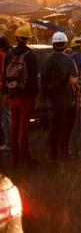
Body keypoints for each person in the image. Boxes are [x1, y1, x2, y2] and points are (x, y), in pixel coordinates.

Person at [2, 25, 38, 167]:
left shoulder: (9, 54)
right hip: (26, 98)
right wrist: (35, 97)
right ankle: (25, 158)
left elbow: (4, 75)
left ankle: (15, 159)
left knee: (13, 127)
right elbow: (33, 79)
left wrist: (5, 93)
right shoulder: (30, 55)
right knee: (24, 128)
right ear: (28, 39)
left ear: (16, 38)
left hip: (12, 96)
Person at [41, 32, 78, 162]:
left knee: (54, 128)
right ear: (65, 44)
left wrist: (48, 96)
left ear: (53, 45)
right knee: (66, 128)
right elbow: (74, 81)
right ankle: (64, 153)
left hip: (52, 101)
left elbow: (43, 82)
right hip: (67, 102)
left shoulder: (47, 61)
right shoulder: (69, 61)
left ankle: (53, 154)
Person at [0, 37, 11, 151]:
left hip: (4, 89)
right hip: (8, 88)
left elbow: (3, 74)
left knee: (6, 115)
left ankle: (8, 142)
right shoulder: (10, 54)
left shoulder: (1, 55)